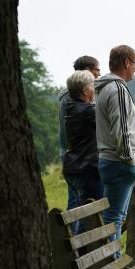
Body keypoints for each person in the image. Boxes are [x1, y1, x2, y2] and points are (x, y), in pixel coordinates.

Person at [95, 45, 135, 254]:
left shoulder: (105, 88)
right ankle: (111, 263)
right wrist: (131, 161)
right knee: (114, 218)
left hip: (111, 161)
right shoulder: (117, 89)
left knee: (114, 217)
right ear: (127, 63)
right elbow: (122, 130)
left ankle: (111, 261)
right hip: (119, 163)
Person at [58, 55, 100, 230]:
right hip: (85, 163)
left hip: (72, 160)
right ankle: (80, 252)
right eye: (96, 73)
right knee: (88, 211)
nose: (97, 80)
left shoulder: (67, 100)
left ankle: (74, 248)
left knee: (78, 207)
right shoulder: (87, 108)